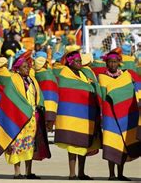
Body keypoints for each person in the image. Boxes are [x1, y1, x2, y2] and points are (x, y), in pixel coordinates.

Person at [0, 51, 49, 179]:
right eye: (24, 67)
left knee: (30, 145)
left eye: (28, 66)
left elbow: (38, 95)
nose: (27, 68)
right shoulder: (13, 81)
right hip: (19, 117)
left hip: (32, 118)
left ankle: (28, 172)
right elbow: (11, 100)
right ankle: (17, 172)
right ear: (17, 69)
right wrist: (23, 109)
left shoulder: (32, 80)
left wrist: (39, 106)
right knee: (16, 144)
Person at [55, 49, 102, 180]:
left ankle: (81, 172)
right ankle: (72, 173)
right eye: (77, 61)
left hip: (85, 115)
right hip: (70, 115)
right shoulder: (65, 74)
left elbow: (92, 88)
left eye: (80, 61)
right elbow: (66, 91)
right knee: (72, 144)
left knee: (83, 144)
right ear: (70, 62)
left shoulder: (84, 74)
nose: (79, 63)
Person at [97, 51, 140, 181]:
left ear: (119, 63)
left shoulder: (127, 76)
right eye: (110, 62)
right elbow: (102, 98)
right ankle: (111, 174)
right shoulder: (102, 78)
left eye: (115, 62)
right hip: (110, 116)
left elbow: (135, 90)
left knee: (123, 145)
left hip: (125, 115)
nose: (113, 64)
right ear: (106, 63)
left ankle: (120, 174)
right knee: (111, 143)